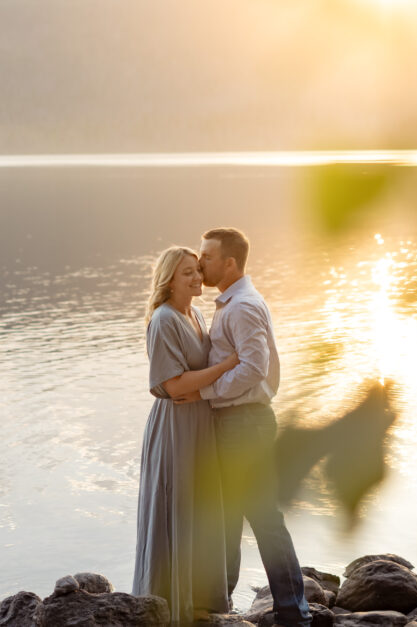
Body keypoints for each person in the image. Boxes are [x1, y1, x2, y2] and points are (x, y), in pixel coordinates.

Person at [177, 227, 311, 627]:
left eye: (207, 256)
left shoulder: (242, 306)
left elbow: (254, 368)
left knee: (261, 515)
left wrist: (204, 393)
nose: (201, 264)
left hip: (245, 424)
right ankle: (221, 601)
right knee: (229, 514)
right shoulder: (232, 303)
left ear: (230, 262)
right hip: (234, 422)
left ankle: (294, 610)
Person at [132, 246, 237, 625]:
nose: (197, 278)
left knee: (200, 509)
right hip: (176, 426)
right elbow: (172, 385)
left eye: (197, 270)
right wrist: (228, 364)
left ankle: (199, 601)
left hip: (199, 422)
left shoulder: (194, 312)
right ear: (169, 280)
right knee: (177, 507)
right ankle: (168, 604)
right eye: (187, 273)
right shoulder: (163, 320)